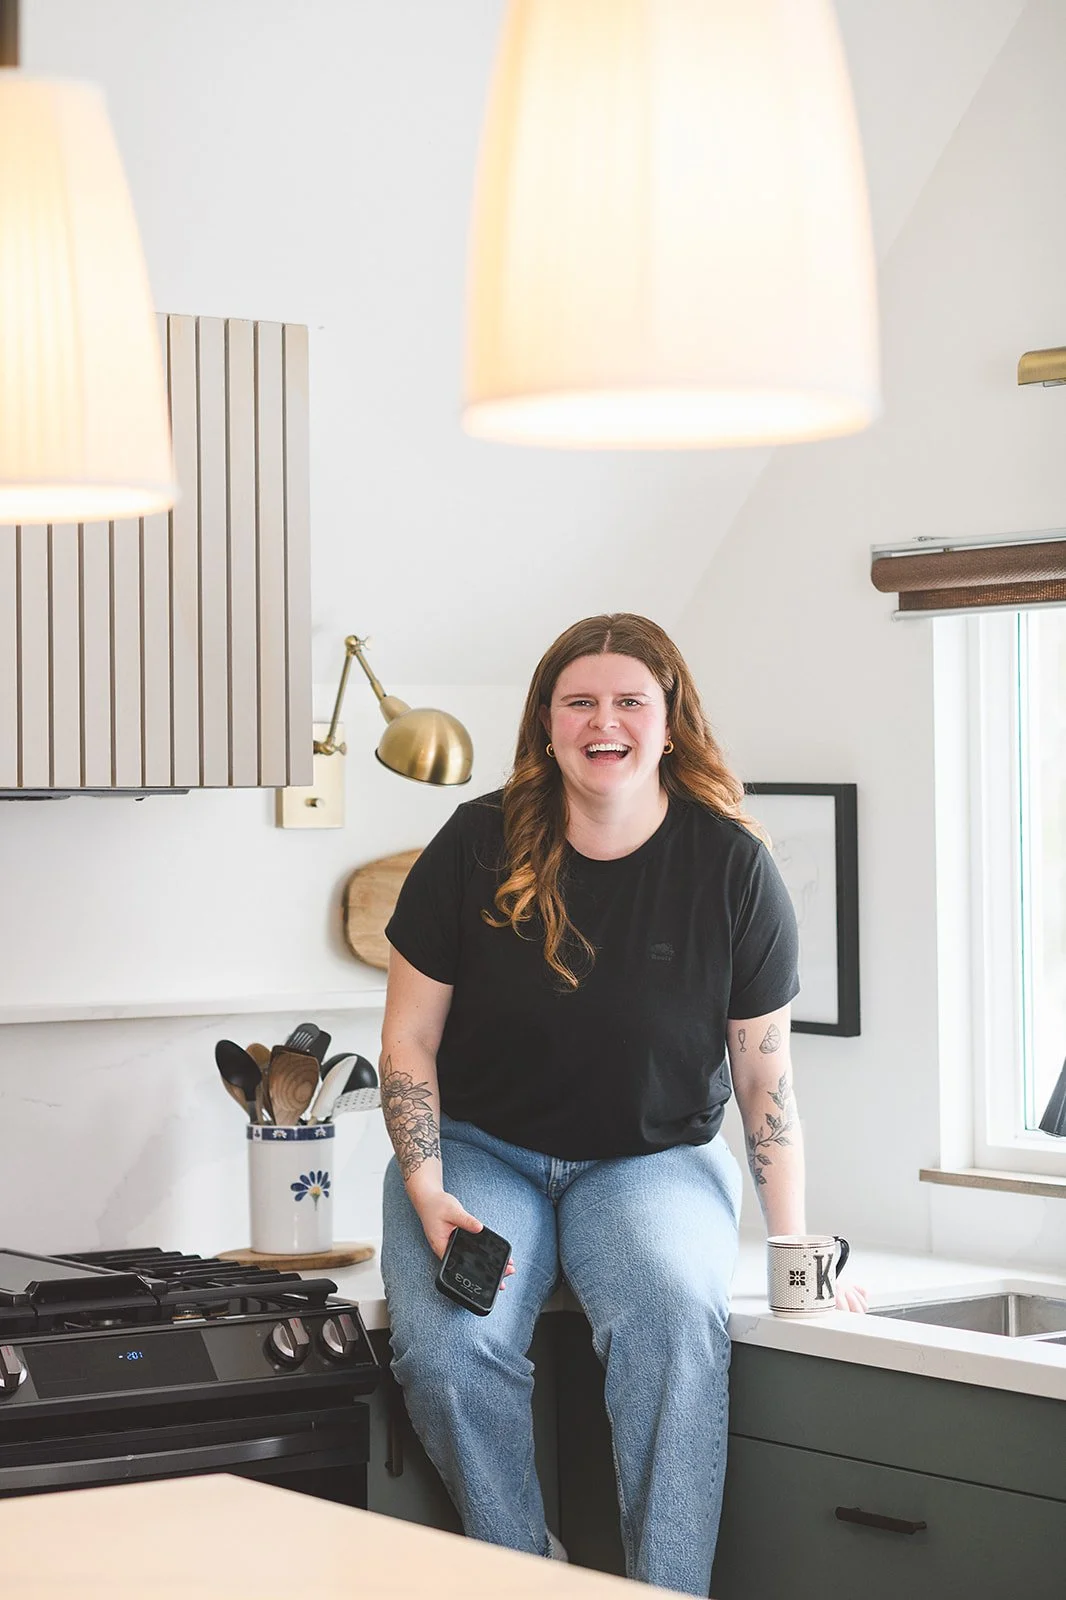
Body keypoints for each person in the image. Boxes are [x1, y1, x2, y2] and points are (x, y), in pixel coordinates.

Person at [379, 613, 864, 1596]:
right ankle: (528, 1575)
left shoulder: (732, 866)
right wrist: (426, 1186)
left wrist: (794, 1250)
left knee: (677, 1325)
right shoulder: (475, 843)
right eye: (581, 702)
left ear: (670, 722)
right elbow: (407, 1040)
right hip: (482, 1152)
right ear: (548, 724)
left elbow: (764, 1076)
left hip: (650, 1163)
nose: (606, 722)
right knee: (448, 1352)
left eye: (629, 701)